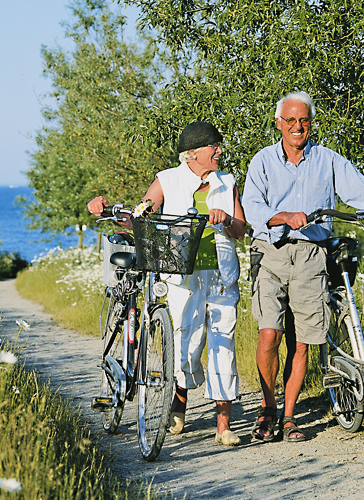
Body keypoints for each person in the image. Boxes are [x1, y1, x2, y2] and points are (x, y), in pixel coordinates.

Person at [242, 91, 364, 442]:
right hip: (272, 250)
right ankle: (269, 407)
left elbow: (362, 191)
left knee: (302, 342)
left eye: (304, 120)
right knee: (270, 334)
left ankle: (290, 416)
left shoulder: (327, 159)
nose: (298, 126)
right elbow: (252, 206)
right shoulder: (262, 161)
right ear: (278, 123)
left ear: (310, 123)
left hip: (312, 254)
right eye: (291, 120)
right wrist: (283, 216)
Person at [87, 122, 247, 446]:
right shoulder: (167, 180)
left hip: (220, 275)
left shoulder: (227, 183)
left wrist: (227, 219)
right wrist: (105, 211)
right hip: (180, 274)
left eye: (219, 146)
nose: (219, 151)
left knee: (223, 342)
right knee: (184, 342)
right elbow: (139, 216)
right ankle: (179, 405)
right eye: (213, 146)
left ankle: (223, 424)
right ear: (193, 153)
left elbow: (241, 228)